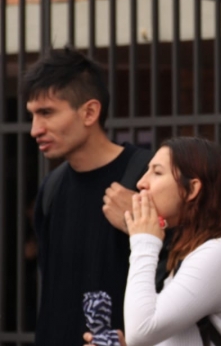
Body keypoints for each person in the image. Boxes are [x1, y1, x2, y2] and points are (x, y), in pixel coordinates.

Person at [23, 46, 151, 346]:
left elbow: (180, 270)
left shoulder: (146, 176)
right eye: (32, 115)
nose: (34, 130)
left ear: (90, 112)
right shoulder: (51, 188)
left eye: (46, 113)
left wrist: (138, 227)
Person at [85, 137, 221, 346]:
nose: (141, 183)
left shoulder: (220, 253)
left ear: (192, 189)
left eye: (157, 172)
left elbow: (141, 332)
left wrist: (143, 240)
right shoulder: (191, 251)